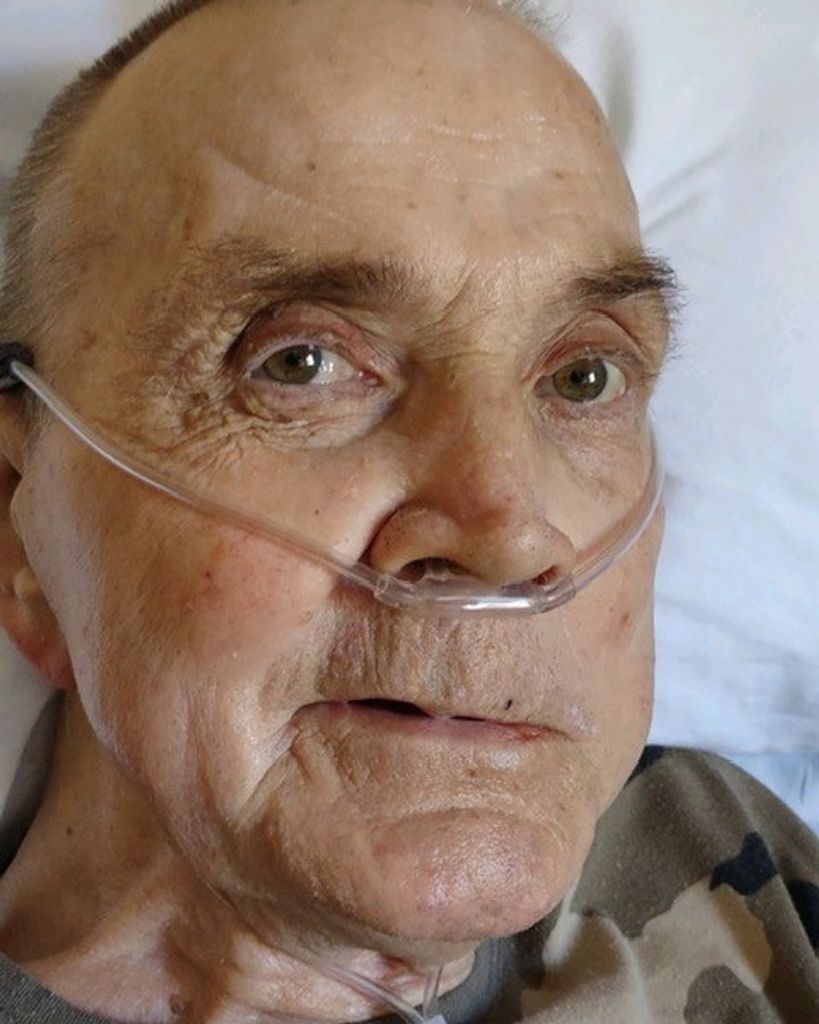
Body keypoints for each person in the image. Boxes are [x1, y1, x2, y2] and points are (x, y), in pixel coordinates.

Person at [0, 0, 816, 1021]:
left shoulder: (728, 853)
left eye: (586, 378)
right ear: (19, 524)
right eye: (301, 363)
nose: (509, 538)